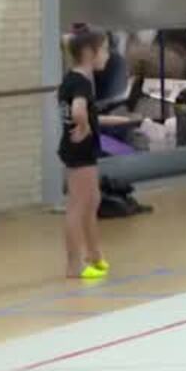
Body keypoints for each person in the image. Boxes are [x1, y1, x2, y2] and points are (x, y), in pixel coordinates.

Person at [59, 28, 131, 281]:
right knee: (79, 205)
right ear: (89, 53)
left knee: (91, 201)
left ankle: (94, 254)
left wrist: (113, 120)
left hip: (79, 149)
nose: (107, 56)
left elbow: (86, 114)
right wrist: (84, 127)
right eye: (104, 50)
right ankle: (74, 264)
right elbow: (79, 112)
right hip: (80, 150)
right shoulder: (81, 83)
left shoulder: (73, 79)